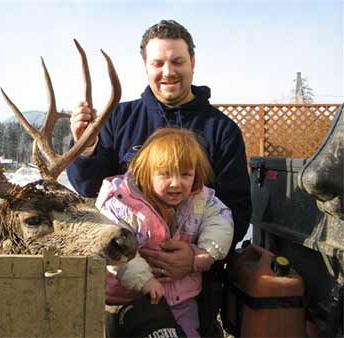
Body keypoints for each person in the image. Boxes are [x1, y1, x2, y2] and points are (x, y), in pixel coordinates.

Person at [67, 19, 251, 336]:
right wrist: (86, 146)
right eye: (158, 63)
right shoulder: (118, 119)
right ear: (146, 66)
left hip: (193, 293)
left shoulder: (221, 130)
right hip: (119, 293)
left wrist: (197, 257)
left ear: (192, 62)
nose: (168, 71)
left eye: (178, 61)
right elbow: (87, 188)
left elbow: (236, 208)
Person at [96, 128, 234, 338]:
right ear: (146, 172)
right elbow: (115, 248)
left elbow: (221, 219)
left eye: (186, 174)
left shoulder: (200, 199)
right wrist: (144, 281)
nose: (176, 183)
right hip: (128, 300)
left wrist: (207, 252)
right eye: (165, 173)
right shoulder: (122, 204)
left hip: (181, 298)